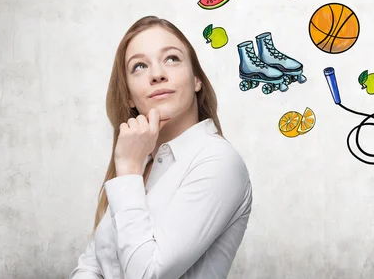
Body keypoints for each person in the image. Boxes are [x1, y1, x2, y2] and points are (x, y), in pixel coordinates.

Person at [69, 16, 253, 279]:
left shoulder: (217, 161)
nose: (157, 74)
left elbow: (148, 275)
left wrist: (128, 170)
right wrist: (132, 170)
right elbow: (90, 267)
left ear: (197, 80)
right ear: (130, 97)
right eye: (140, 66)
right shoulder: (142, 164)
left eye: (171, 59)